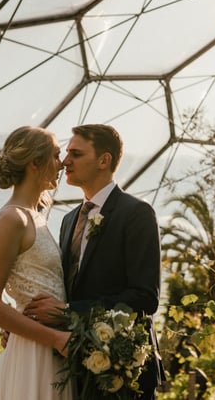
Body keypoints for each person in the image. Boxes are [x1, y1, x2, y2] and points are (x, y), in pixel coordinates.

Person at [24, 123, 165, 399]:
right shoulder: (68, 220)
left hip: (124, 370)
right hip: (74, 367)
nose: (65, 162)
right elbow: (64, 288)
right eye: (66, 153)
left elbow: (145, 297)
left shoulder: (136, 213)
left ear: (104, 160)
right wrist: (25, 325)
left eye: (76, 154)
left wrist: (69, 311)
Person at [0, 126, 72, 400]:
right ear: (35, 163)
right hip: (35, 354)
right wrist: (56, 339)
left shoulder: (36, 217)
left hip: (50, 349)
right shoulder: (12, 219)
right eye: (55, 155)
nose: (61, 164)